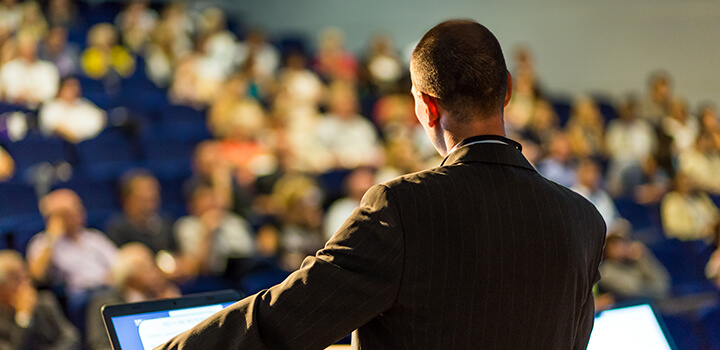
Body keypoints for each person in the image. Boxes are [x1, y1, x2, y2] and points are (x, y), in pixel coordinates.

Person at [156, 20, 606, 350]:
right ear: (507, 90)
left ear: (426, 108)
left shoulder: (404, 207)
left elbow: (284, 320)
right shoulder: (584, 220)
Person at [26, 189, 117, 329]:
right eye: (67, 212)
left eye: (78, 208)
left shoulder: (94, 238)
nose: (77, 214)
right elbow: (37, 275)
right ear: (54, 218)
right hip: (79, 296)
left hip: (108, 287)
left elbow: (120, 265)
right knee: (105, 300)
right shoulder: (43, 243)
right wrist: (53, 235)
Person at [86, 243, 179, 350]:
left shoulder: (159, 295)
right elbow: (98, 344)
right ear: (129, 274)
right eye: (146, 267)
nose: (154, 272)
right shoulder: (103, 301)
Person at [0, 250, 80, 350]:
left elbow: (71, 337)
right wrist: (24, 316)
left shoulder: (45, 301)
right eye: (17, 279)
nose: (25, 284)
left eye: (26, 277)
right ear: (1, 288)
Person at [106, 170, 176, 254]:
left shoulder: (165, 223)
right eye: (143, 198)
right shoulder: (117, 229)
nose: (151, 195)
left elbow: (177, 254)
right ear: (127, 199)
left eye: (153, 194)